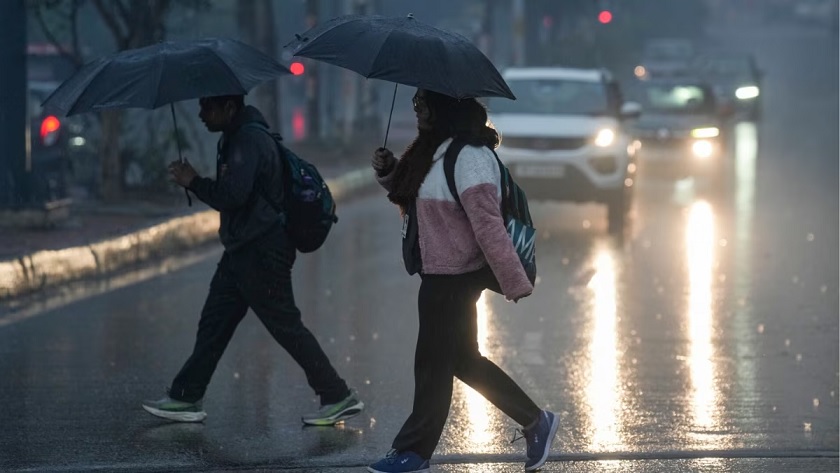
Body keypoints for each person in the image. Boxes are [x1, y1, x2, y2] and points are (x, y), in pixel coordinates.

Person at [367, 89, 558, 473]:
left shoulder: (470, 157)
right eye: (416, 103)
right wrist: (389, 172)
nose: (418, 109)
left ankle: (413, 451)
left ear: (446, 108)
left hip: (454, 277)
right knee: (463, 361)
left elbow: (487, 225)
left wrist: (513, 279)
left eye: (424, 104)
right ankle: (537, 422)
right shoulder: (432, 150)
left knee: (431, 364)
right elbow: (412, 196)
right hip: (439, 272)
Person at [142, 95, 363, 426]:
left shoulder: (248, 140)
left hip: (262, 250)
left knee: (285, 326)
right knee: (213, 324)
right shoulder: (237, 137)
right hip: (242, 249)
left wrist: (194, 182)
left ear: (229, 107)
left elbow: (233, 196)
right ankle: (185, 396)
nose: (201, 114)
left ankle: (336, 394)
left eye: (208, 107)